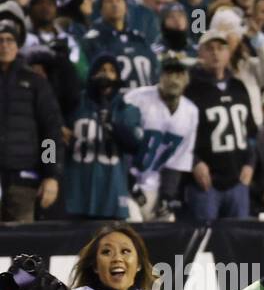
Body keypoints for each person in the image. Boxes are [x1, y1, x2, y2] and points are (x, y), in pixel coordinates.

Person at [185, 31, 256, 221]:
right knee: (205, 244)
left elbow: (251, 133)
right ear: (200, 54)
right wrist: (194, 162)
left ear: (228, 53)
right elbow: (181, 134)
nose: (215, 53)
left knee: (237, 244)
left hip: (238, 180)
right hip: (205, 183)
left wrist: (250, 163)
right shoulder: (190, 89)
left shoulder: (239, 86)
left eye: (220, 48)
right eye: (209, 49)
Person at [63, 54, 143, 219]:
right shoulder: (74, 104)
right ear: (92, 75)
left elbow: (136, 146)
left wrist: (111, 125)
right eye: (101, 70)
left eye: (111, 71)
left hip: (112, 194)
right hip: (77, 192)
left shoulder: (126, 110)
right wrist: (51, 157)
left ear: (118, 77)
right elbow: (47, 138)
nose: (106, 75)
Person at [123, 53, 199, 221]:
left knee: (168, 222)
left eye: (179, 74)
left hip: (155, 187)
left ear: (187, 79)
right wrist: (130, 185)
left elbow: (178, 160)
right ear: (160, 75)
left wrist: (167, 196)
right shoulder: (136, 99)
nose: (174, 79)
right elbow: (120, 145)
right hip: (126, 186)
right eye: (169, 73)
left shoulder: (191, 112)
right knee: (132, 222)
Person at [0, 19, 61, 221]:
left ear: (17, 46)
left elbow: (50, 132)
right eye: (0, 40)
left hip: (23, 181)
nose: (4, 45)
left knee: (21, 249)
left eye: (9, 40)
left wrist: (50, 174)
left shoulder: (36, 83)